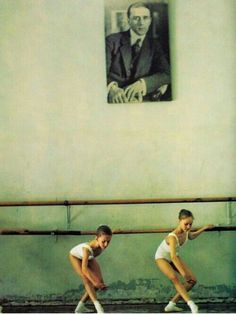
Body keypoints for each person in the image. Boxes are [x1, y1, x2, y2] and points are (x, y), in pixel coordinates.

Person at [106, 2, 171, 103]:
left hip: (142, 102)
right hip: (115, 101)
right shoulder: (112, 41)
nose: (141, 23)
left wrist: (143, 84)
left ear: (150, 21)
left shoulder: (155, 45)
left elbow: (167, 74)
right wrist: (111, 88)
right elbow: (99, 74)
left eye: (145, 18)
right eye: (136, 18)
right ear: (128, 20)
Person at [155, 209, 214, 313]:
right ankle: (192, 305)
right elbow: (173, 257)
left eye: (190, 224)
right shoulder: (172, 237)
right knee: (175, 278)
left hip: (174, 257)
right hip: (162, 257)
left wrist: (205, 228)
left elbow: (192, 236)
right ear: (179, 221)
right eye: (186, 224)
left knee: (192, 280)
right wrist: (183, 273)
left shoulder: (186, 232)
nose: (188, 227)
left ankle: (171, 304)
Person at [69, 225, 112, 313]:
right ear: (96, 237)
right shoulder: (87, 249)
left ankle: (80, 307)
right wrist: (95, 282)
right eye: (104, 241)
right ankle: (99, 309)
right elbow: (84, 269)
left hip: (89, 257)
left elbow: (93, 263)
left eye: (108, 241)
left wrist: (100, 282)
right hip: (75, 257)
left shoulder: (100, 246)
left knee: (98, 283)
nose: (106, 244)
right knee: (87, 280)